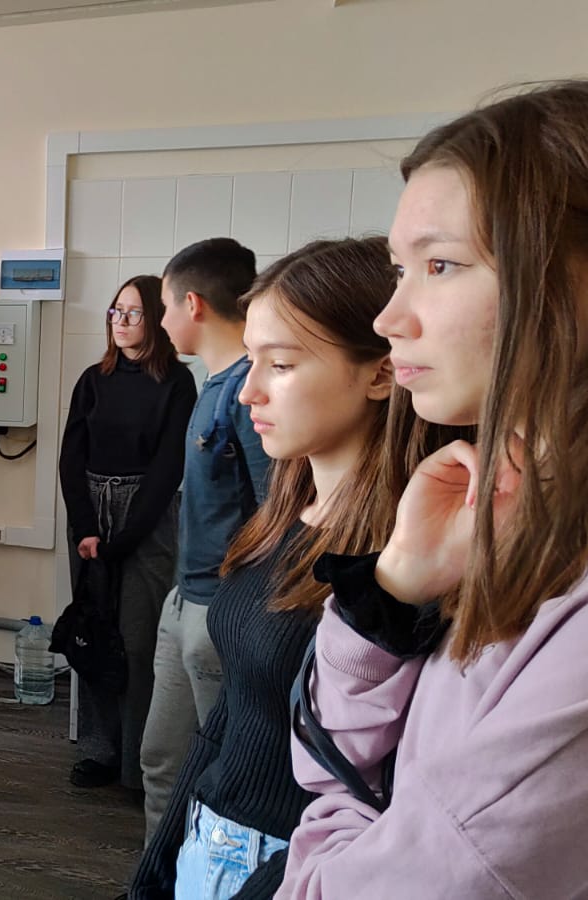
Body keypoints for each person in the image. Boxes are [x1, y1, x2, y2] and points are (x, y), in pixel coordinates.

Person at [279, 80, 588, 898]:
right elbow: (328, 753)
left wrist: (338, 823)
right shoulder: (510, 519)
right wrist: (391, 594)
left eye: (442, 265)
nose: (390, 317)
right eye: (402, 270)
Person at [130, 237, 449, 899]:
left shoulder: (407, 565)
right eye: (251, 359)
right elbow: (231, 716)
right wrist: (157, 867)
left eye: (280, 364)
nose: (249, 391)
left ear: (381, 374)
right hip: (211, 841)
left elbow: (385, 790)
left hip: (298, 868)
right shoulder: (281, 517)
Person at [138, 237, 271, 842]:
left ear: (192, 304)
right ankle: (154, 876)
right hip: (183, 599)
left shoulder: (248, 394)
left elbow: (275, 511)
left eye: (163, 307)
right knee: (161, 762)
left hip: (219, 609)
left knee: (218, 773)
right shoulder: (212, 384)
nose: (161, 321)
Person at [58, 275, 196, 792]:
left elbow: (167, 469)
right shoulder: (93, 379)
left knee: (138, 642)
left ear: (156, 319)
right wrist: (86, 527)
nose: (121, 321)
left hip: (146, 517)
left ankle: (139, 764)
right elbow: (71, 457)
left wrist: (122, 540)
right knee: (93, 632)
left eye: (133, 313)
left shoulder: (177, 384)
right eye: (116, 311)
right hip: (91, 512)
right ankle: (99, 749)